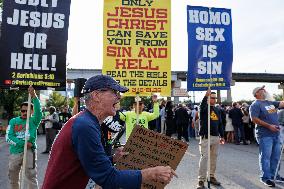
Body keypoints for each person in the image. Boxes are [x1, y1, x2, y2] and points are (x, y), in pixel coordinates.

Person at [42, 75, 176, 189]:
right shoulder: (85, 126)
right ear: (96, 95)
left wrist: (113, 159)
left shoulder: (87, 121)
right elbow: (107, 177)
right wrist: (151, 173)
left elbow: (90, 161)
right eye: (114, 92)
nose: (119, 97)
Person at [6, 85, 42, 189]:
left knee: (31, 176)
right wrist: (24, 143)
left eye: (27, 111)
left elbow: (39, 112)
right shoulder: (13, 121)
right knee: (12, 177)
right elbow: (9, 137)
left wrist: (34, 96)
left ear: (32, 112)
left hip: (30, 151)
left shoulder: (34, 121)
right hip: (15, 152)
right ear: (20, 111)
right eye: (23, 110)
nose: (25, 112)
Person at [249, 85, 284, 187]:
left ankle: (274, 175)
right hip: (265, 135)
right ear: (257, 93)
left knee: (276, 156)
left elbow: (282, 103)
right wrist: (269, 126)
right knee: (266, 157)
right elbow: (254, 119)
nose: (264, 90)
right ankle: (265, 177)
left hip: (276, 134)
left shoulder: (270, 102)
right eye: (261, 89)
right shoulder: (255, 105)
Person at [196, 89, 225, 189]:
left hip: (216, 137)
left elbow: (220, 123)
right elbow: (202, 108)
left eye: (215, 98)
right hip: (206, 137)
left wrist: (222, 136)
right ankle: (201, 180)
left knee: (214, 158)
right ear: (208, 98)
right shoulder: (204, 108)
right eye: (212, 98)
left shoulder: (217, 110)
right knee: (204, 158)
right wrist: (205, 97)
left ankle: (211, 176)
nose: (214, 99)